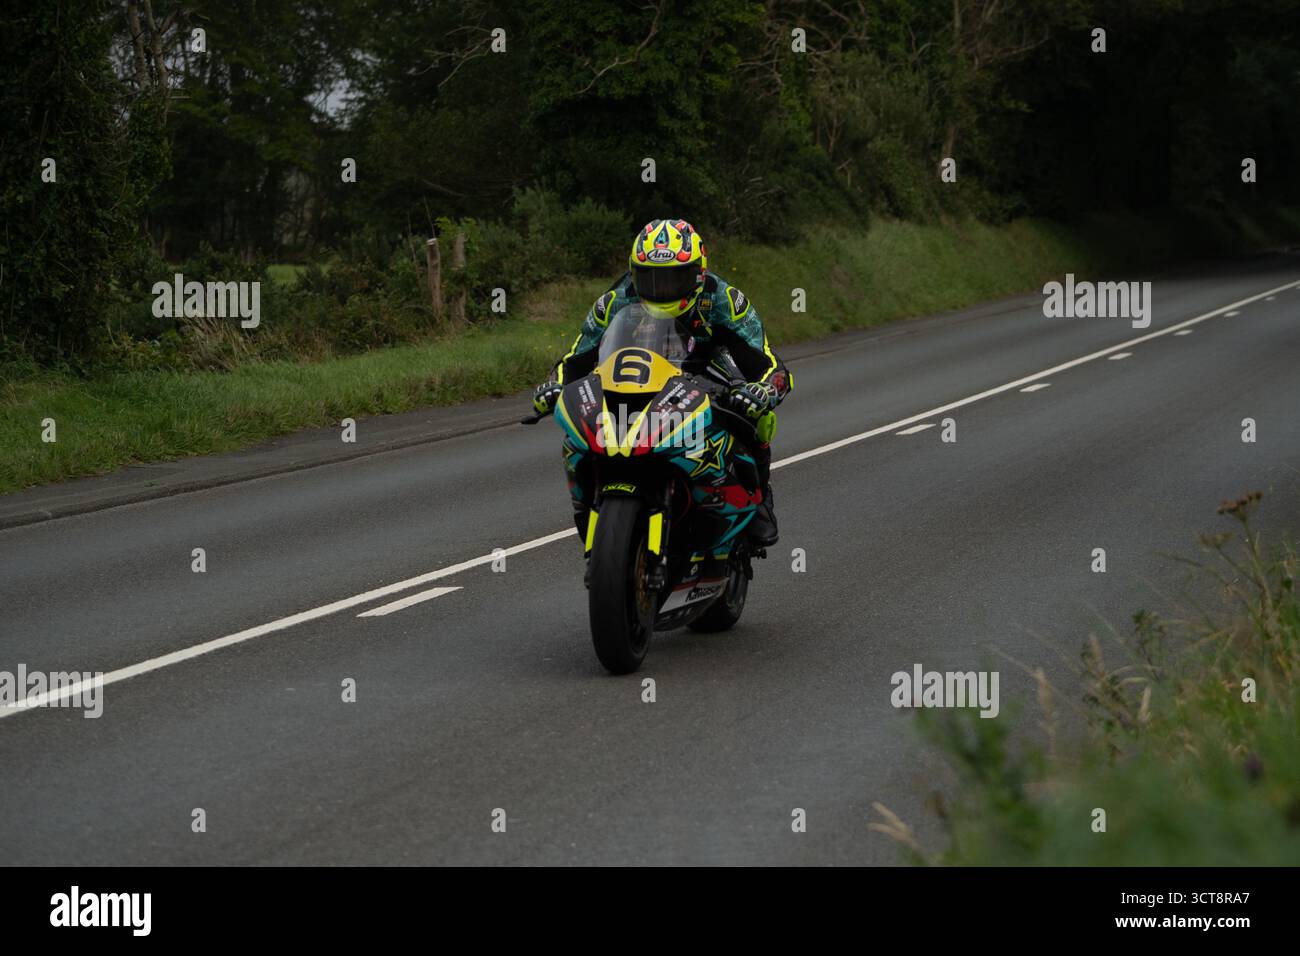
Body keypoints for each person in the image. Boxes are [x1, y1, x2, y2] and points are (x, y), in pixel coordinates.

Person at [532, 218, 791, 546]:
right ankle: (589, 497)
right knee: (585, 417)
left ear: (698, 273)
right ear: (633, 272)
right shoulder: (615, 299)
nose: (660, 288)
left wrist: (763, 389)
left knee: (758, 416)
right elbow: (575, 359)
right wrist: (553, 385)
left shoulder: (725, 299)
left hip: (706, 367)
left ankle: (759, 499)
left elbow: (768, 363)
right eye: (650, 278)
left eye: (673, 278)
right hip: (637, 370)